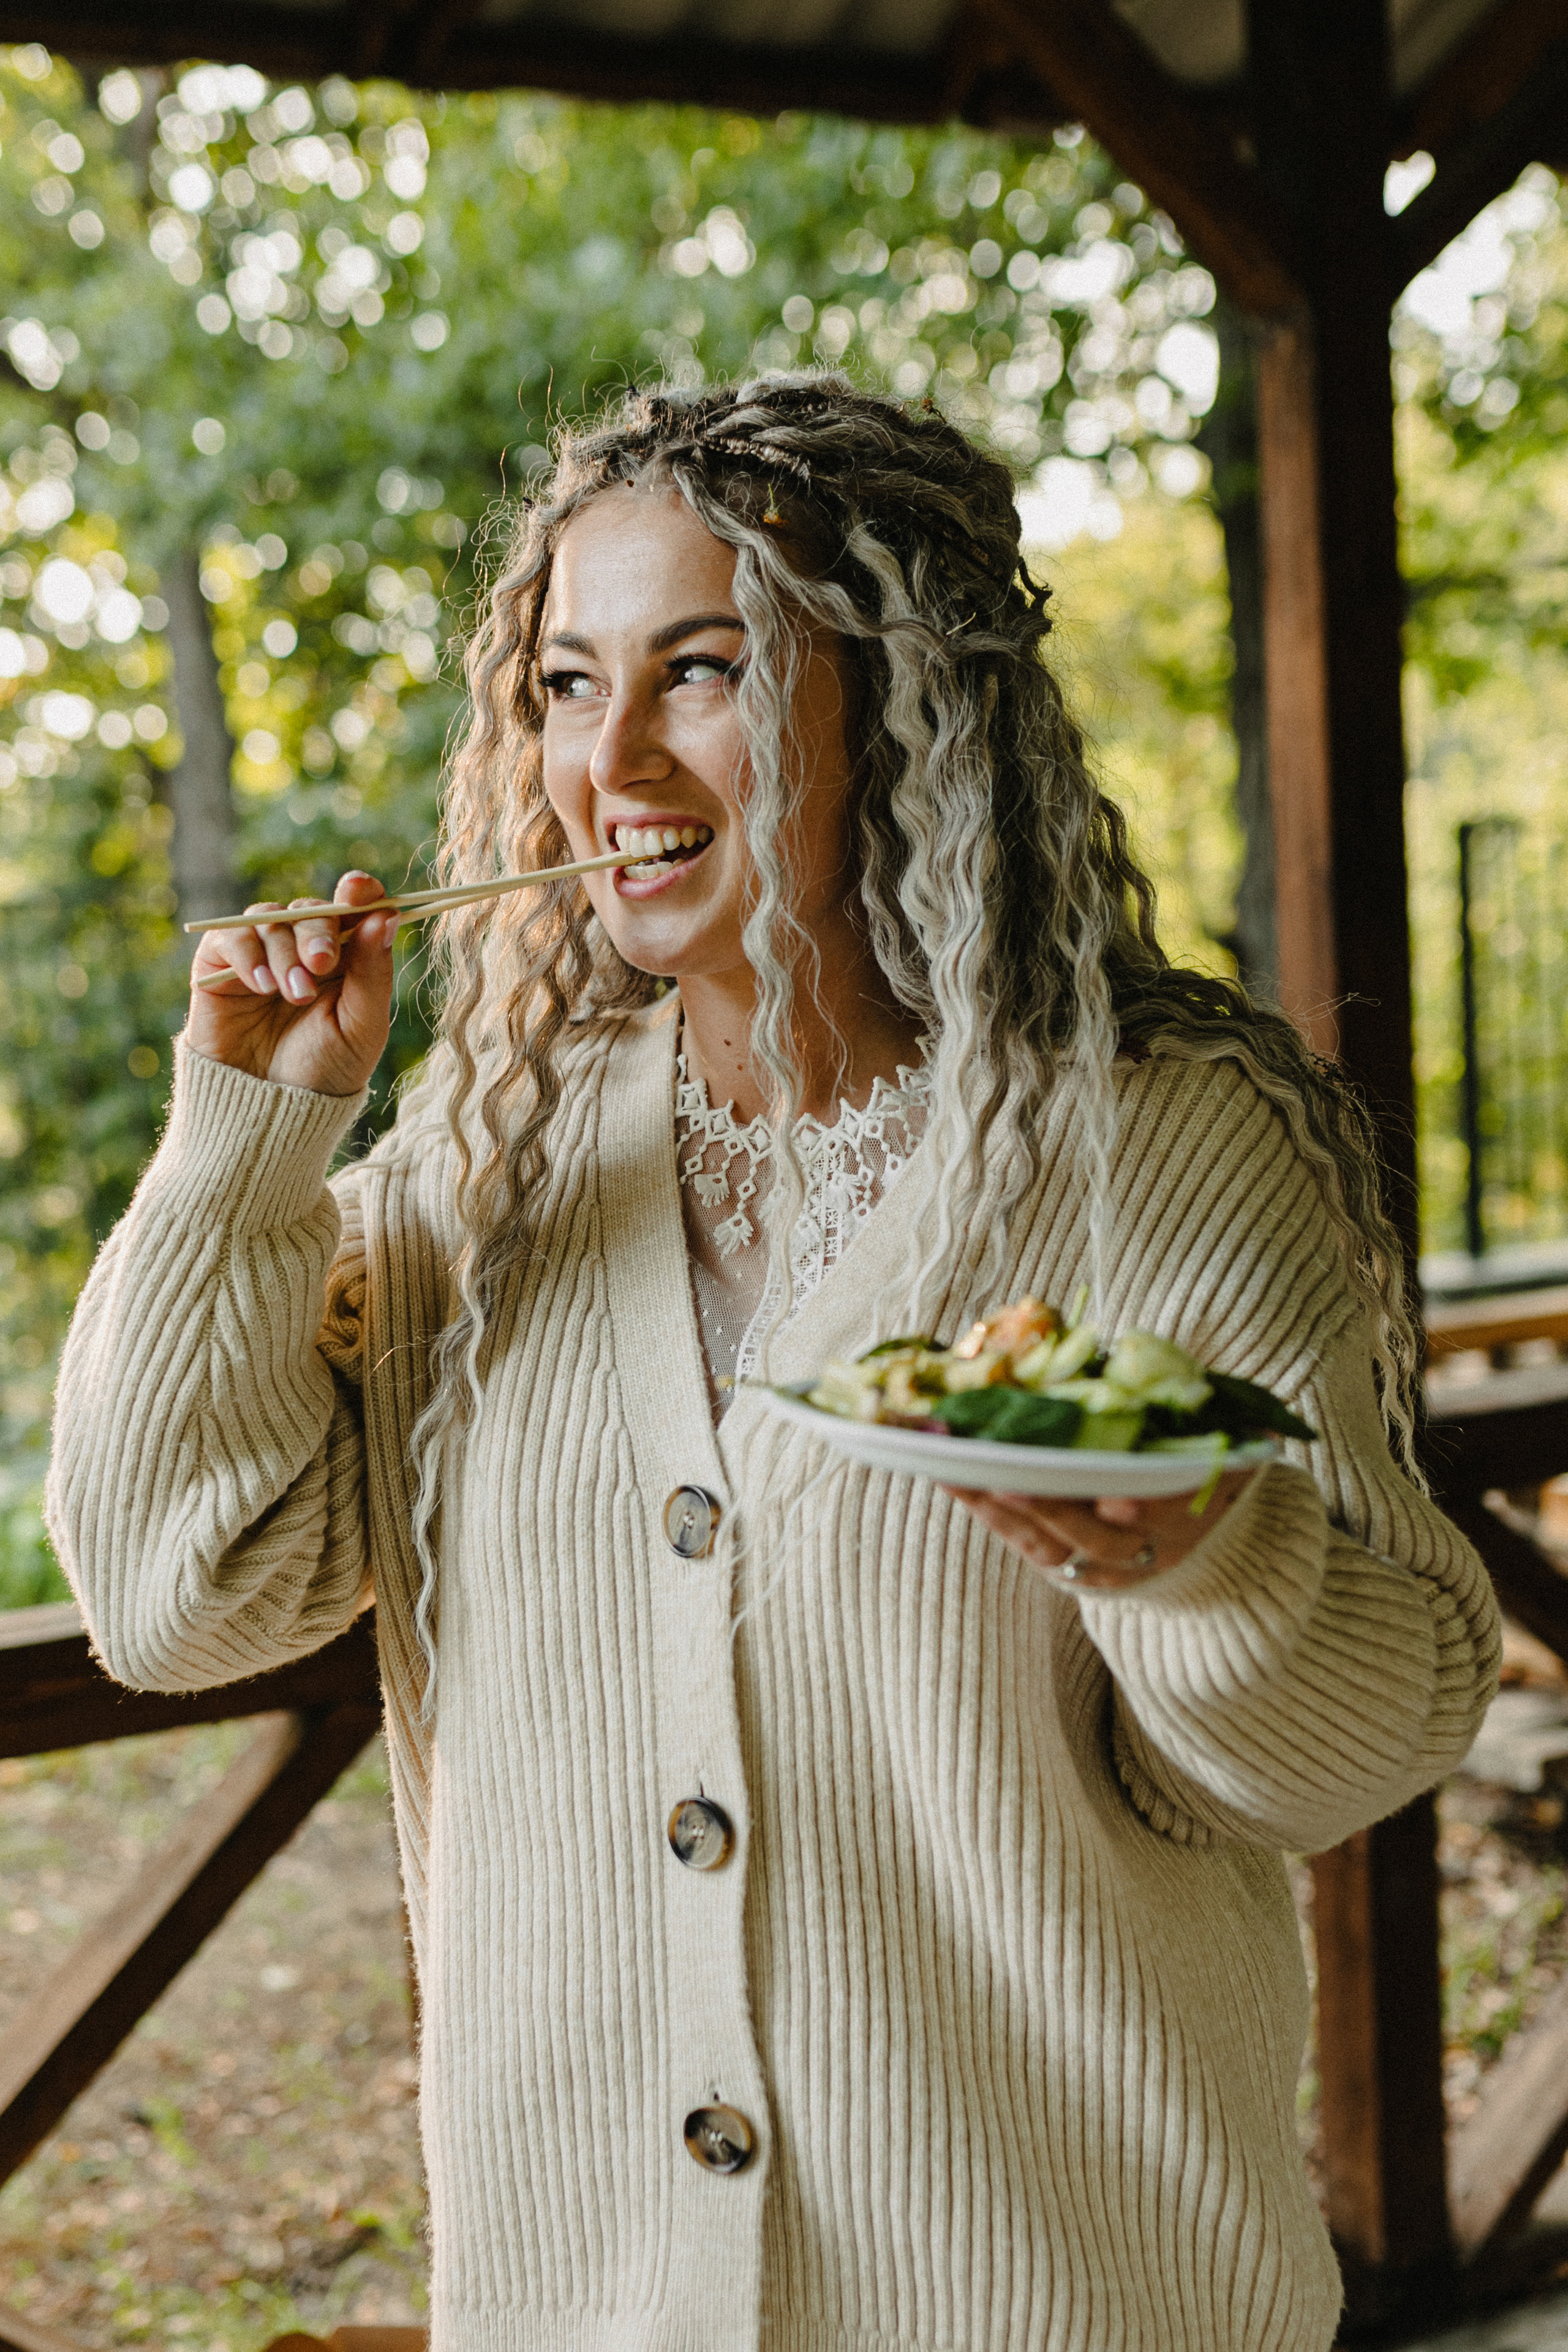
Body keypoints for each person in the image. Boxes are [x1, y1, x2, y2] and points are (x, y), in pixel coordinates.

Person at [48, 377, 1498, 2352]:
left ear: (906, 700)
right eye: (565, 684)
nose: (611, 755)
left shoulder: (1158, 1157)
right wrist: (248, 1138)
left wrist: (1204, 1555)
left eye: (701, 671)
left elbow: (1361, 1748)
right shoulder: (487, 1173)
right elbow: (165, 1597)